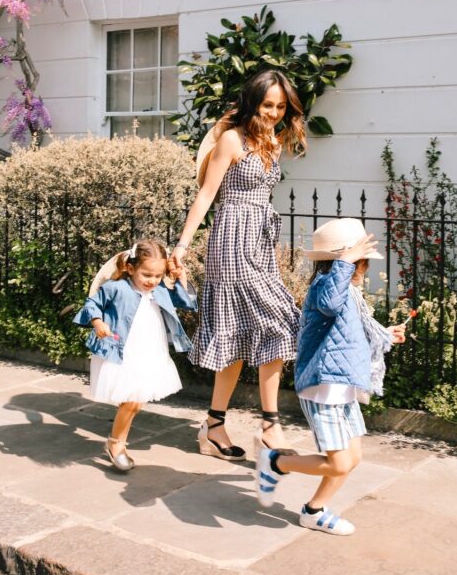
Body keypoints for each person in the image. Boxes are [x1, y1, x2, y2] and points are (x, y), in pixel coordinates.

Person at [170, 69, 306, 461]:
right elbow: (207, 194)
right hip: (230, 241)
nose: (275, 112)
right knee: (273, 320)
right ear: (253, 101)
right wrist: (182, 245)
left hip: (259, 242)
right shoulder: (231, 140)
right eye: (268, 104)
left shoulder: (273, 144)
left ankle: (214, 425)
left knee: (249, 334)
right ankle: (270, 424)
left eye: (282, 106)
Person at [254, 218, 406, 535]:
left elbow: (351, 330)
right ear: (347, 262)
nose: (362, 270)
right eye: (361, 263)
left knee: (352, 458)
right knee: (338, 462)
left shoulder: (347, 290)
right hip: (322, 387)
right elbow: (330, 305)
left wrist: (387, 334)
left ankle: (314, 510)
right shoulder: (325, 287)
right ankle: (274, 462)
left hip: (343, 387)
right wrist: (345, 261)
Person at [73, 238, 197, 472]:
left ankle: (116, 442)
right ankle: (116, 444)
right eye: (147, 275)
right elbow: (92, 304)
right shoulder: (117, 287)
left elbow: (186, 303)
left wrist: (180, 277)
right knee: (131, 401)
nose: (152, 281)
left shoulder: (159, 290)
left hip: (149, 350)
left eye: (158, 276)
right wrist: (98, 322)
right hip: (124, 350)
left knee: (135, 403)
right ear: (131, 268)